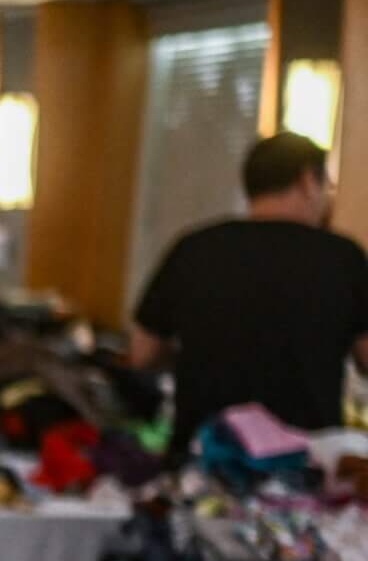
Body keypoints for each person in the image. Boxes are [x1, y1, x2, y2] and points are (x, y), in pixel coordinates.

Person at [132, 132, 368, 458]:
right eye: (325, 185)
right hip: (301, 468)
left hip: (201, 459)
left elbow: (142, 353)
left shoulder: (195, 248)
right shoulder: (343, 258)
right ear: (306, 180)